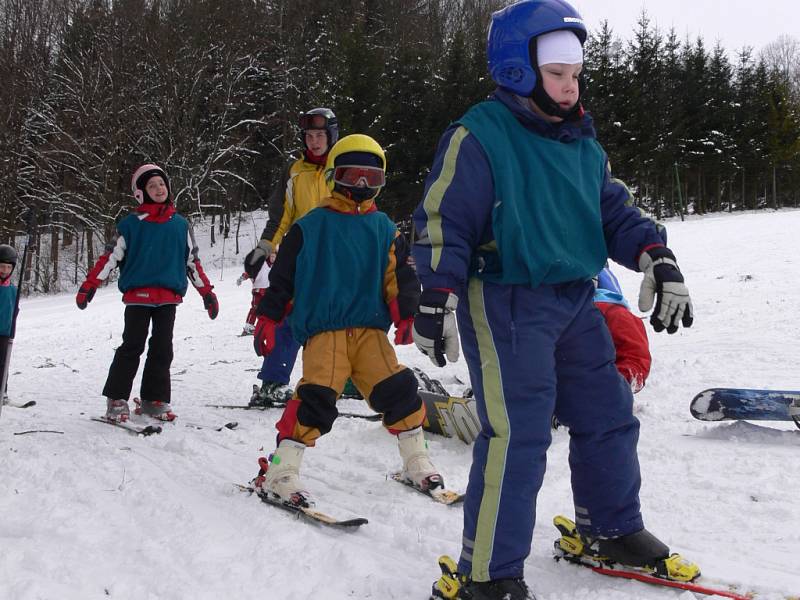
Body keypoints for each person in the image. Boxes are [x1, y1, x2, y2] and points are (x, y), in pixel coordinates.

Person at [411, 2, 694, 599]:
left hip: (575, 298)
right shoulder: (479, 135)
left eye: (575, 74)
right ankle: (487, 573)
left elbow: (613, 210)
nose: (570, 86)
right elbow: (443, 221)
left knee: (608, 413)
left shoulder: (582, 144)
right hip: (507, 300)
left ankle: (609, 528)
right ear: (518, 68)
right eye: (558, 73)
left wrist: (656, 256)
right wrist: (434, 296)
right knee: (519, 434)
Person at [251, 134, 442, 507]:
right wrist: (270, 318)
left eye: (371, 178)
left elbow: (399, 277)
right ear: (335, 176)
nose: (361, 186)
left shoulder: (384, 228)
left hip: (370, 332)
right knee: (316, 399)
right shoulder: (311, 226)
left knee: (397, 390)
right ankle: (280, 472)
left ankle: (416, 461)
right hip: (326, 332)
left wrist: (406, 313)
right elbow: (283, 279)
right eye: (354, 176)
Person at [76, 164, 219, 423]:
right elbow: (110, 257)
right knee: (132, 346)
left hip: (168, 298)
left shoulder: (180, 224)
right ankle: (117, 398)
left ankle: (154, 398)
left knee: (163, 348)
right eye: (152, 186)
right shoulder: (131, 225)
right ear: (141, 193)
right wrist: (90, 285)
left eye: (161, 184)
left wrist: (207, 293)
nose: (159, 189)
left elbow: (192, 262)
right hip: (138, 297)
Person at [244, 107, 338, 407]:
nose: (314, 141)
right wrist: (265, 247)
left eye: (320, 135)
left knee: (347, 319)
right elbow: (280, 216)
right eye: (309, 136)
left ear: (332, 136)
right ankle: (273, 381)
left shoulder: (345, 166)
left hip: (340, 257)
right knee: (290, 318)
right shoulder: (294, 171)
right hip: (302, 257)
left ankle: (350, 380)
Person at [0, 244, 18, 405]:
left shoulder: (13, 289)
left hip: (5, 332)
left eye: (7, 267)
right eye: (1, 266)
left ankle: (2, 392)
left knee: (3, 363)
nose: (4, 270)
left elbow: (14, 311)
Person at [236, 260, 270, 336]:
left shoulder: (268, 265)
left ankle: (264, 326)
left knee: (264, 309)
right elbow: (248, 272)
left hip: (266, 291)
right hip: (257, 290)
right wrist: (242, 278)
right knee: (255, 308)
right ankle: (248, 326)